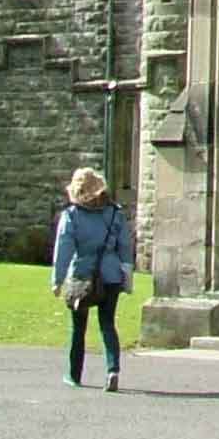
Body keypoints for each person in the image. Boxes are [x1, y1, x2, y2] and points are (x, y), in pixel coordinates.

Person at [50, 165, 134, 392]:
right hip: (111, 275)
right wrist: (127, 276)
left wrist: (57, 281)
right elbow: (125, 247)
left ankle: (74, 375)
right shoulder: (115, 213)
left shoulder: (71, 216)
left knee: (78, 327)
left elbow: (64, 251)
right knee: (108, 324)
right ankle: (112, 369)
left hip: (82, 276)